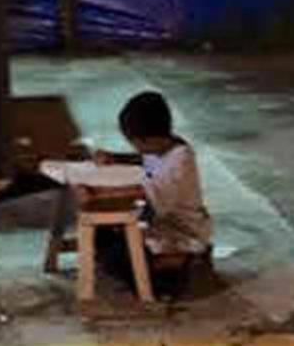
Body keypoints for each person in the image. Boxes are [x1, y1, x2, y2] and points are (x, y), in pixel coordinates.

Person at [80, 91, 213, 296]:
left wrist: (100, 191)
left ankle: (174, 266)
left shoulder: (180, 161)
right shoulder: (163, 146)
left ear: (147, 140)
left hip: (180, 234)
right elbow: (143, 160)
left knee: (115, 258)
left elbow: (144, 194)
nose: (136, 148)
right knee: (101, 236)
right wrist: (115, 158)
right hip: (159, 225)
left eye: (134, 142)